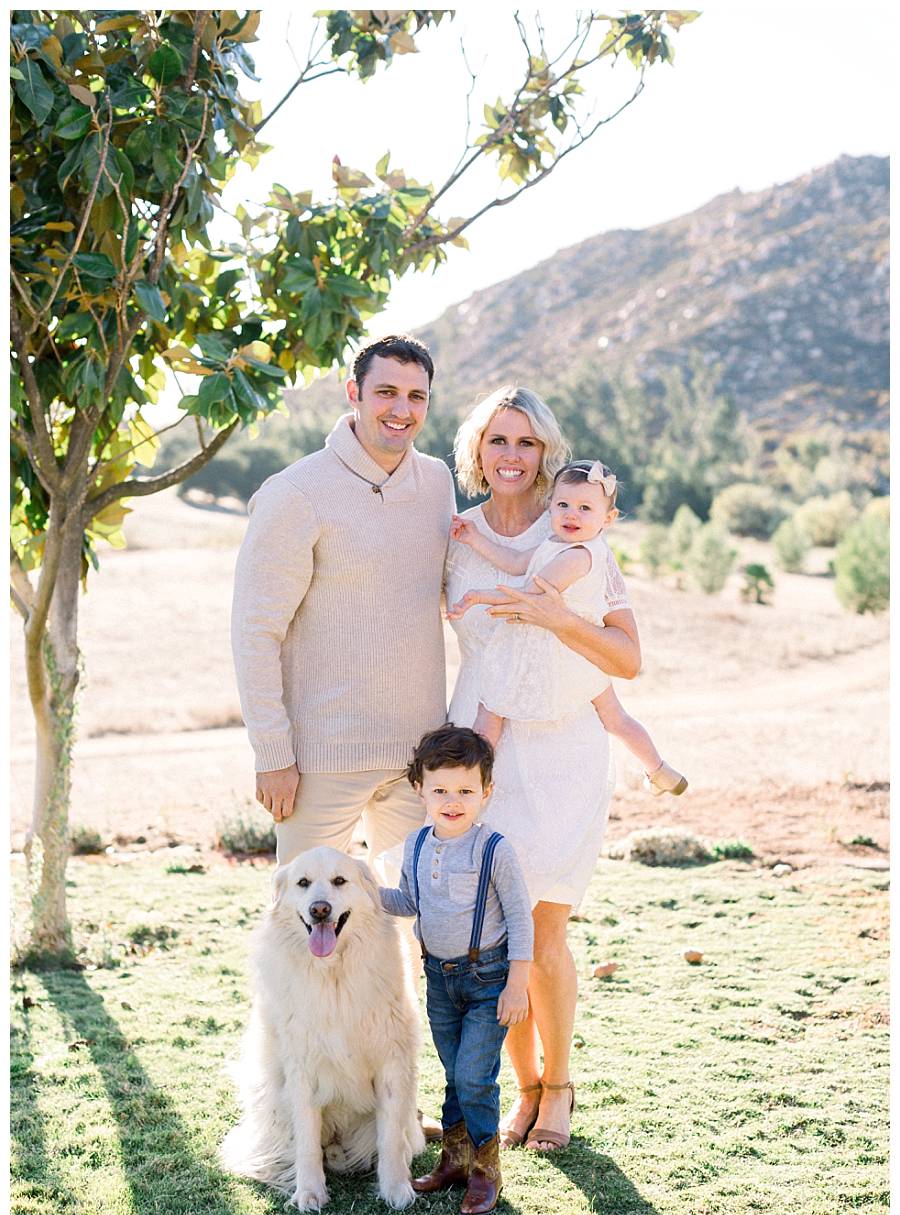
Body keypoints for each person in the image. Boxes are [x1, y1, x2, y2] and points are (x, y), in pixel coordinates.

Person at [445, 385, 644, 1153]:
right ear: (477, 450)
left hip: (561, 744)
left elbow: (629, 658)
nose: (511, 456)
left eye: (526, 443)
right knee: (490, 934)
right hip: (481, 736)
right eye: (498, 440)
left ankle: (558, 1087)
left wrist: (559, 615)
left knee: (546, 924)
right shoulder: (455, 537)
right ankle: (520, 1089)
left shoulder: (580, 538)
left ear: (546, 454)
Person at [231, 333, 455, 872]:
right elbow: (256, 631)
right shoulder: (295, 492)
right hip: (319, 761)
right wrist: (273, 754)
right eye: (386, 392)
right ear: (353, 390)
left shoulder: (437, 483)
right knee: (308, 930)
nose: (401, 410)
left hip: (418, 758)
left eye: (416, 397)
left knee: (419, 923)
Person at [448, 458, 687, 795]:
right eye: (563, 505)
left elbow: (531, 594)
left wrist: (477, 596)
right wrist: (475, 539)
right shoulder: (555, 545)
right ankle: (659, 770)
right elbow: (517, 563)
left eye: (585, 508)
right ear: (550, 508)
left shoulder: (581, 556)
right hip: (574, 655)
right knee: (614, 717)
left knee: (490, 709)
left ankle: (472, 779)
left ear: (608, 519)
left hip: (562, 653)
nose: (571, 514)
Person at [378, 725, 533, 1215]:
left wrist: (517, 984)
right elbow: (407, 901)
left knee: (474, 1075)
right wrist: (360, 891)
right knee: (454, 1073)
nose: (452, 800)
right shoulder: (417, 844)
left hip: (489, 980)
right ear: (419, 789)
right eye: (440, 789)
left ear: (486, 792)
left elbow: (520, 919)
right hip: (439, 981)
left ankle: (486, 1172)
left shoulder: (495, 849)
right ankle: (455, 1159)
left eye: (465, 790)